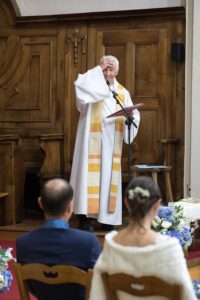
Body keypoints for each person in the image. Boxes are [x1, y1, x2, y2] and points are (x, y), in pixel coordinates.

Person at [89, 176, 197, 300]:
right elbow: (187, 295)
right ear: (157, 206)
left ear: (126, 203)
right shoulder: (169, 249)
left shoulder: (111, 245)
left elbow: (98, 294)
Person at [70, 55, 140, 231]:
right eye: (105, 69)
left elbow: (133, 113)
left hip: (110, 142)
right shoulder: (91, 86)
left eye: (111, 70)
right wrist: (97, 69)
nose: (107, 73)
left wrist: (130, 117)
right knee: (88, 178)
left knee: (108, 178)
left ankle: (107, 219)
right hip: (90, 141)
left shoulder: (122, 93)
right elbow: (79, 84)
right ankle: (85, 218)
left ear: (117, 72)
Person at [16, 178, 101, 300]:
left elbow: (29, 284)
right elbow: (99, 283)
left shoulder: (23, 242)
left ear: (40, 203)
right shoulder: (87, 242)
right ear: (70, 206)